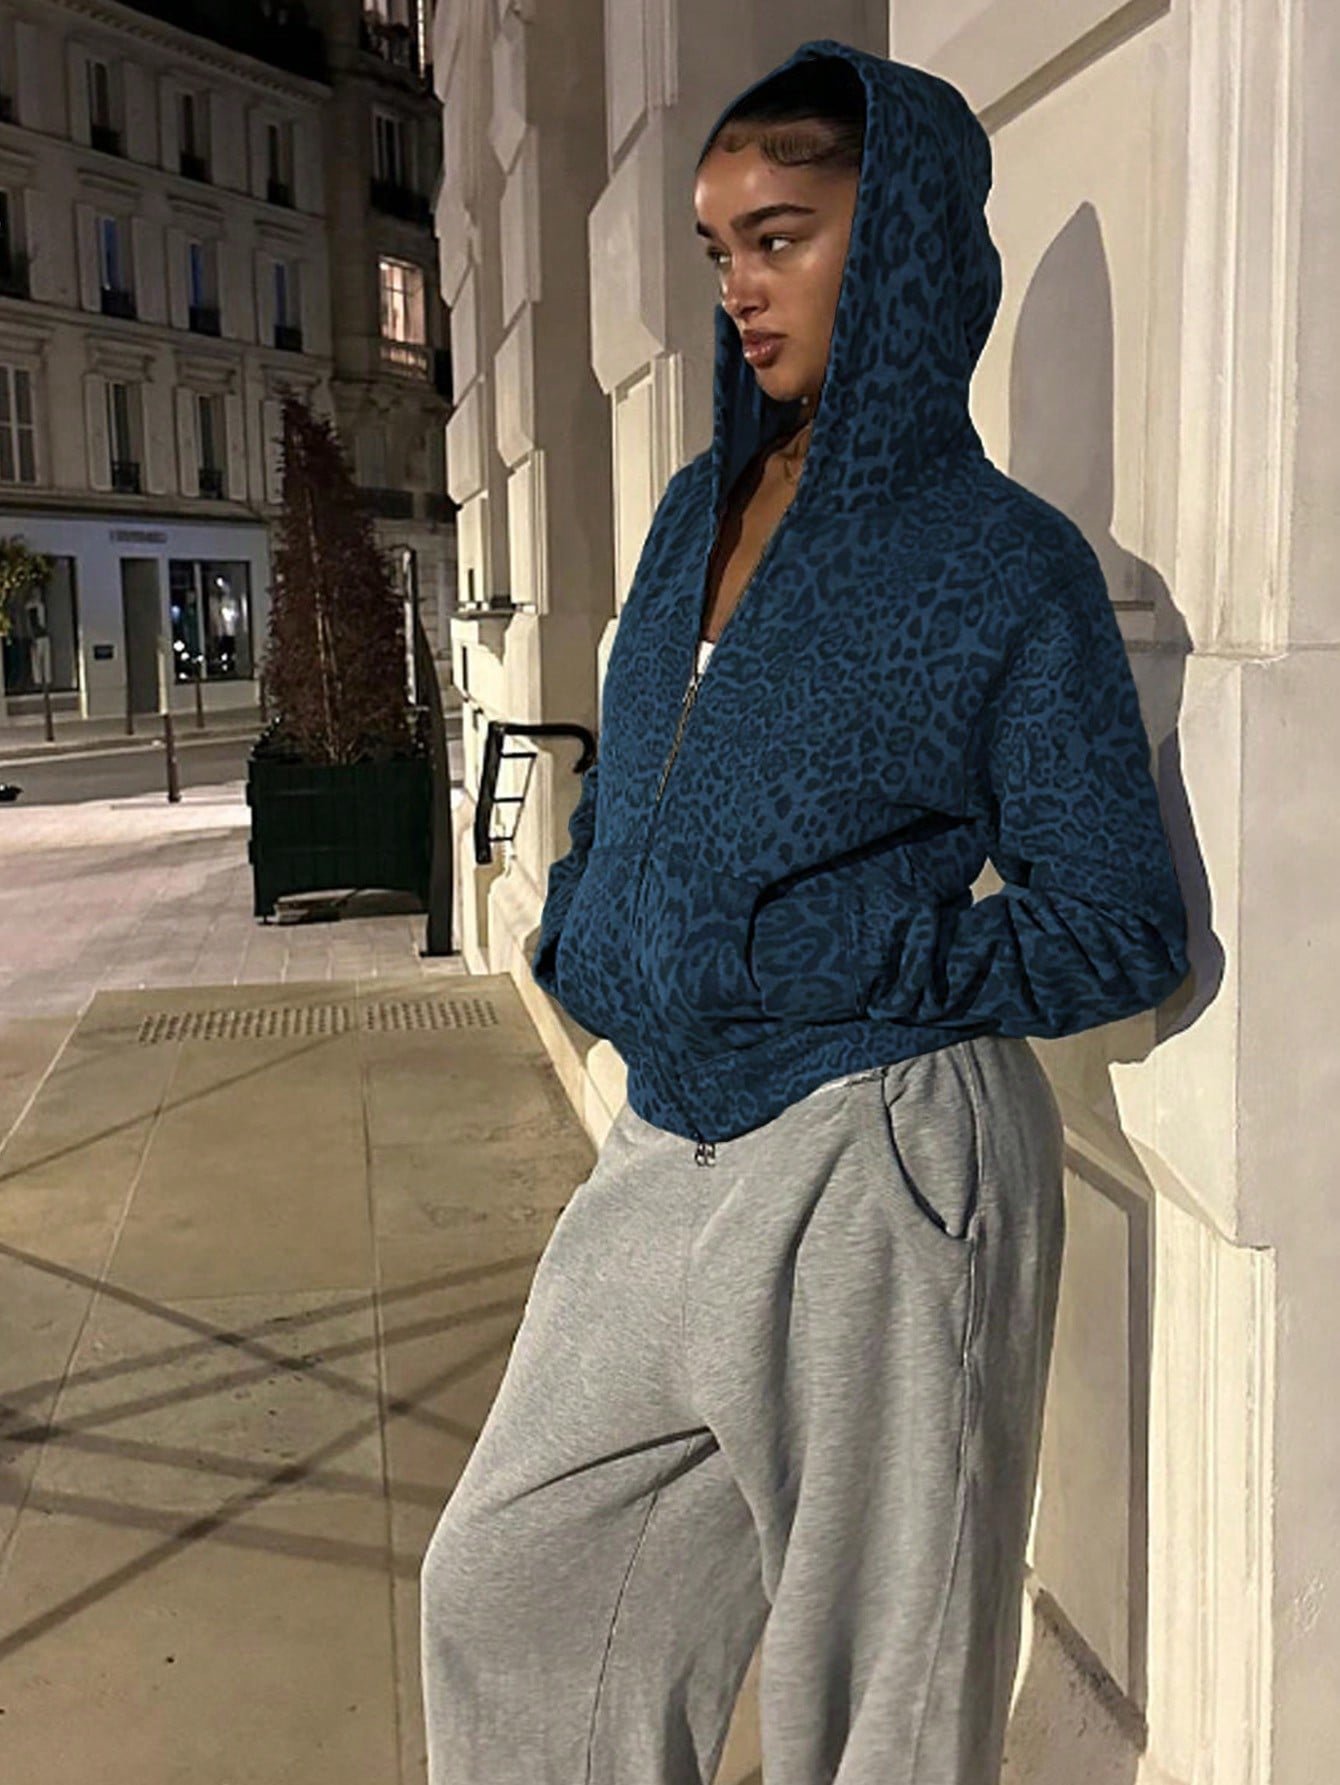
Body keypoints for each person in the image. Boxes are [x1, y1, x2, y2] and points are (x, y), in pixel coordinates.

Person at [420, 37, 1190, 1785]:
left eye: (782, 237)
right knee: (512, 1588)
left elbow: (1115, 922)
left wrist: (841, 950)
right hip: (666, 1140)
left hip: (877, 1158)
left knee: (879, 1700)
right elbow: (641, 766)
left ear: (896, 240)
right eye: (719, 249)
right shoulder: (695, 508)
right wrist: (587, 910)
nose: (741, 288)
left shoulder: (1004, 565)